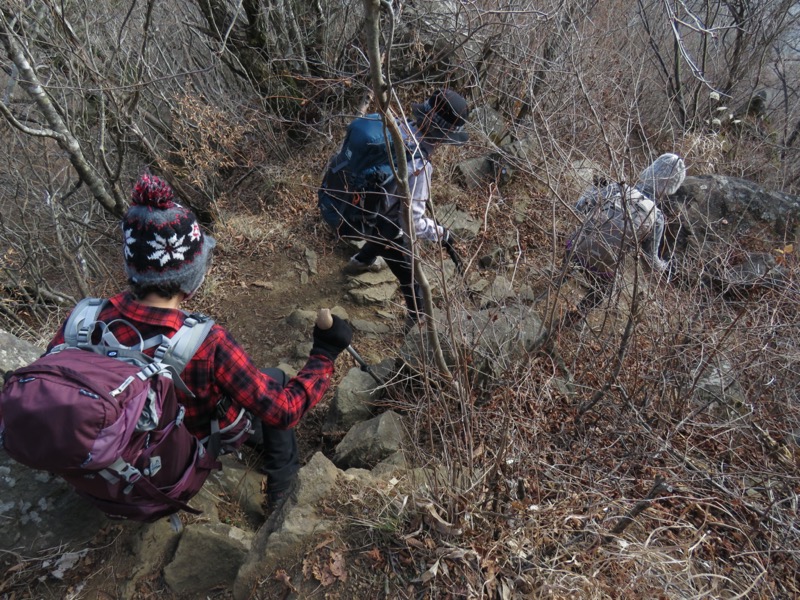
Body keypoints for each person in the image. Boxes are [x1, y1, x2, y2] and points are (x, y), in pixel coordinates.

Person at [46, 173, 353, 510]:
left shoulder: (84, 319)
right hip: (180, 460)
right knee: (275, 379)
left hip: (109, 459)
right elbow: (284, 411)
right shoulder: (206, 342)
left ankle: (265, 454)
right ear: (191, 277)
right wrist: (324, 353)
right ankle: (283, 485)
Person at [318, 89, 470, 327]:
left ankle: (359, 263)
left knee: (383, 236)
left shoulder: (394, 127)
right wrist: (442, 234)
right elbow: (413, 222)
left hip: (352, 205)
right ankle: (417, 322)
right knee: (411, 277)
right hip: (380, 220)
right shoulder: (419, 164)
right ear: (444, 136)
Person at [565, 153, 686, 321]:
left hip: (576, 247)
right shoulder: (656, 218)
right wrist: (666, 266)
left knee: (572, 251)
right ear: (672, 187)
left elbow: (579, 207)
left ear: (651, 168)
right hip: (603, 267)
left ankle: (557, 280)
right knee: (602, 292)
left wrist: (594, 190)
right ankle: (569, 322)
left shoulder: (618, 188)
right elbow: (650, 262)